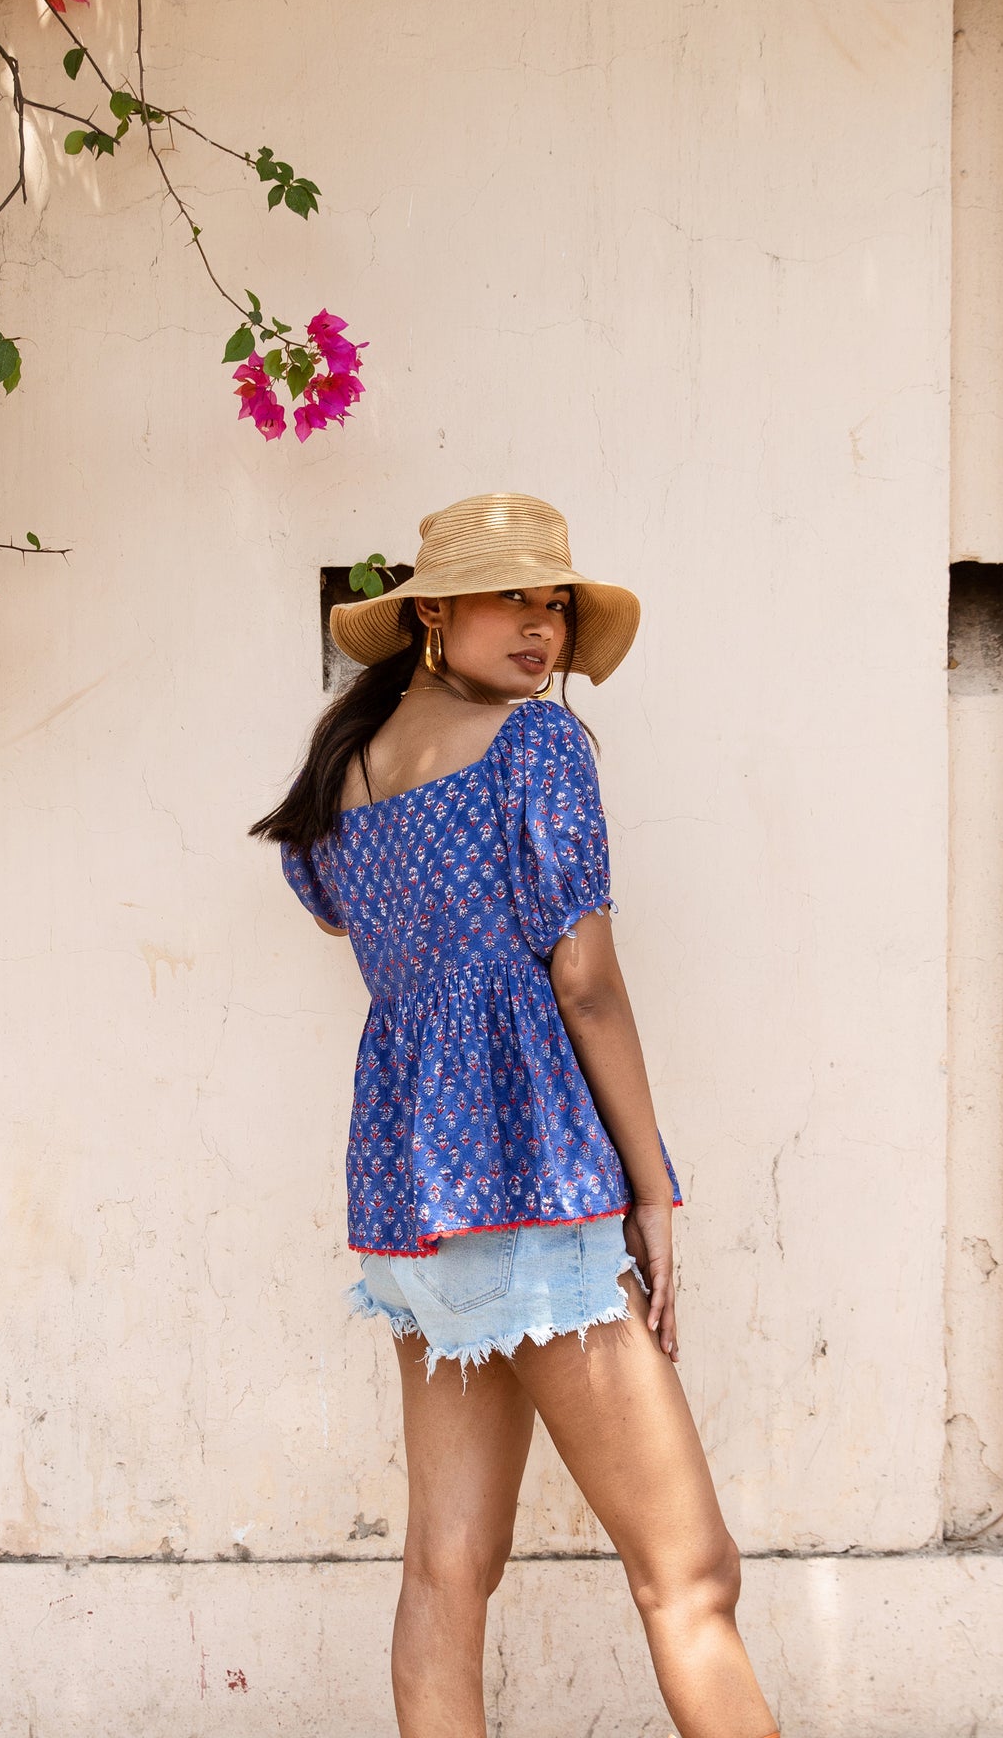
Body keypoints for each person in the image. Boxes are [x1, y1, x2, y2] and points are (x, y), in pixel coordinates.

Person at [250, 492, 780, 1738]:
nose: (540, 629)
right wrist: (650, 1189)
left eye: (553, 603)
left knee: (447, 1565)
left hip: (413, 1193)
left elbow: (359, 929)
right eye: (511, 598)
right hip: (535, 1183)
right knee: (689, 1574)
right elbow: (582, 984)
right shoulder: (533, 748)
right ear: (431, 611)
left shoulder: (353, 770)